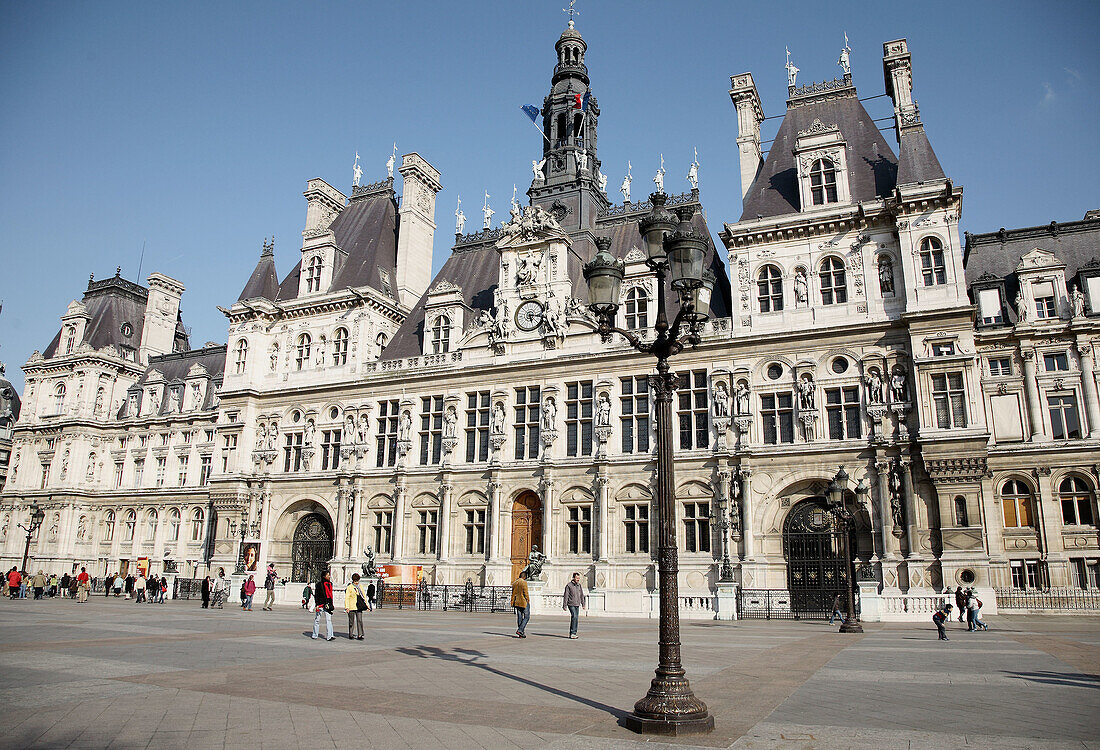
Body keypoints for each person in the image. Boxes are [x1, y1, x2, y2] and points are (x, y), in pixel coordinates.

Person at [562, 572, 587, 639]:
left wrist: (583, 604)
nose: (578, 579)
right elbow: (566, 595)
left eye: (579, 578)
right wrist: (564, 605)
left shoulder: (579, 585)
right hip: (571, 604)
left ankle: (574, 633)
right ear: (573, 578)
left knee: (576, 618)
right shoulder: (569, 585)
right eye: (577, 578)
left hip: (577, 604)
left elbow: (581, 595)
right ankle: (572, 632)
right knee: (574, 616)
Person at [312, 570, 335, 641]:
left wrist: (331, 604)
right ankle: (315, 634)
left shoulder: (330, 584)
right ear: (324, 576)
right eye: (328, 575)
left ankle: (330, 635)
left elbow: (330, 595)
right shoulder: (319, 584)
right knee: (317, 620)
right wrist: (317, 604)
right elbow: (317, 595)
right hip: (321, 604)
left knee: (329, 620)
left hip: (327, 604)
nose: (329, 576)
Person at [344, 573, 367, 640]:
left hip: (359, 606)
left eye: (357, 581)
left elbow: (363, 596)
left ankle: (360, 634)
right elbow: (347, 597)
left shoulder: (360, 586)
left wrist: (367, 605)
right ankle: (350, 634)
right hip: (351, 606)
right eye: (355, 581)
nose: (357, 582)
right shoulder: (350, 587)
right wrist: (347, 607)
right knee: (351, 621)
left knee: (359, 620)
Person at [511, 573, 530, 638]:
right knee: (527, 617)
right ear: (524, 577)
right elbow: (525, 592)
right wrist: (528, 600)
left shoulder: (515, 583)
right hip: (523, 601)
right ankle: (520, 630)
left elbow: (513, 593)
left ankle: (521, 633)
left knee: (519, 617)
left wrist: (512, 601)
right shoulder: (523, 582)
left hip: (516, 602)